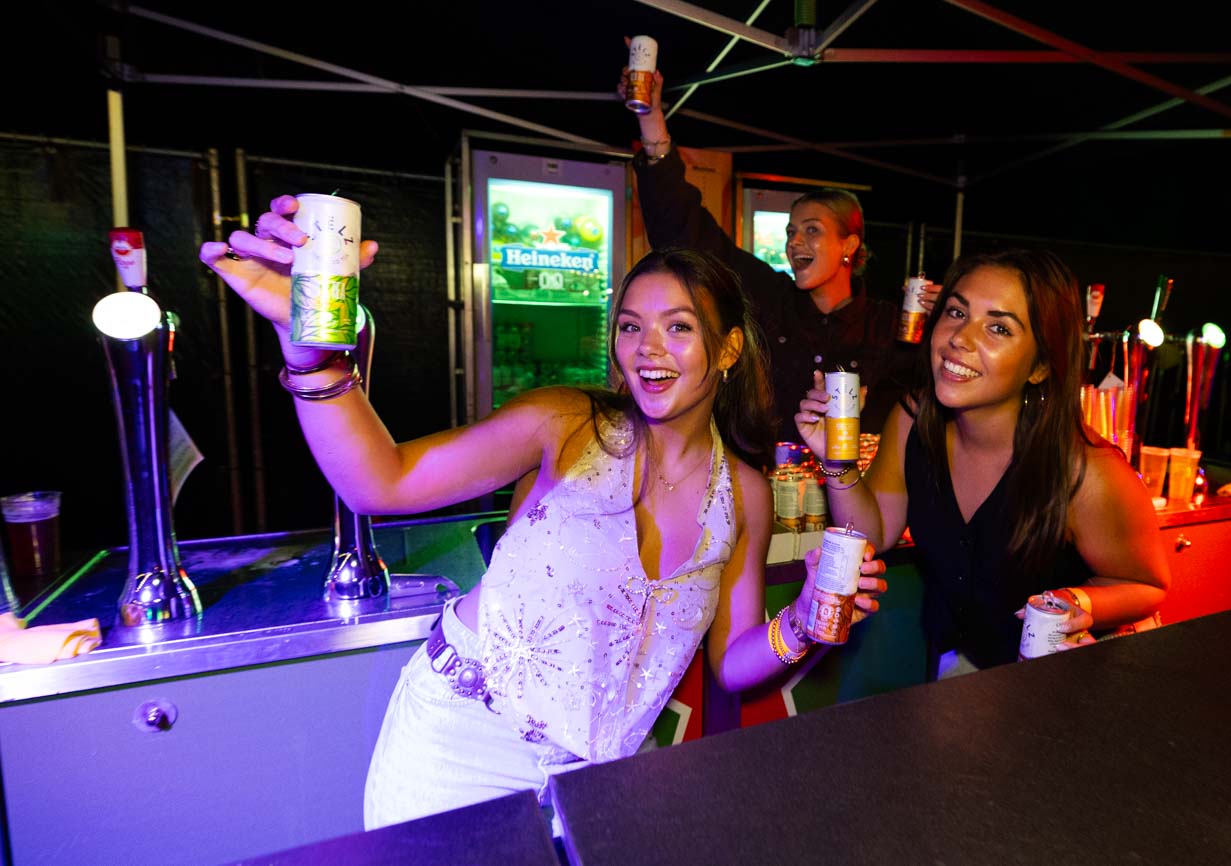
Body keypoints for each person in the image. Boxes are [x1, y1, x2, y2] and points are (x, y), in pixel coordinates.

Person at [200, 199, 887, 829]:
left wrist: (800, 625)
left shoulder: (744, 491)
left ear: (729, 348)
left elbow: (732, 663)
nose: (648, 348)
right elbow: (382, 482)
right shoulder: (567, 423)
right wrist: (313, 360)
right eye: (630, 326)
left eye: (678, 327)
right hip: (456, 749)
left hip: (597, 781)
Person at [794, 248, 1169, 678]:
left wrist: (1078, 604)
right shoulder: (914, 420)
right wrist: (837, 460)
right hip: (961, 673)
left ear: (1041, 366)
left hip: (1063, 689)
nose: (960, 338)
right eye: (956, 312)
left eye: (997, 328)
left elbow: (1148, 585)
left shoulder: (1085, 471)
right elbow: (872, 533)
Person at [620, 57, 940, 449]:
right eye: (791, 231)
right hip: (768, 495)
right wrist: (651, 119)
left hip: (858, 498)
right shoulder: (769, 299)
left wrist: (950, 316)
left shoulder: (887, 324)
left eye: (812, 230)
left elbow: (941, 390)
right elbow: (686, 231)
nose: (794, 241)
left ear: (849, 244)